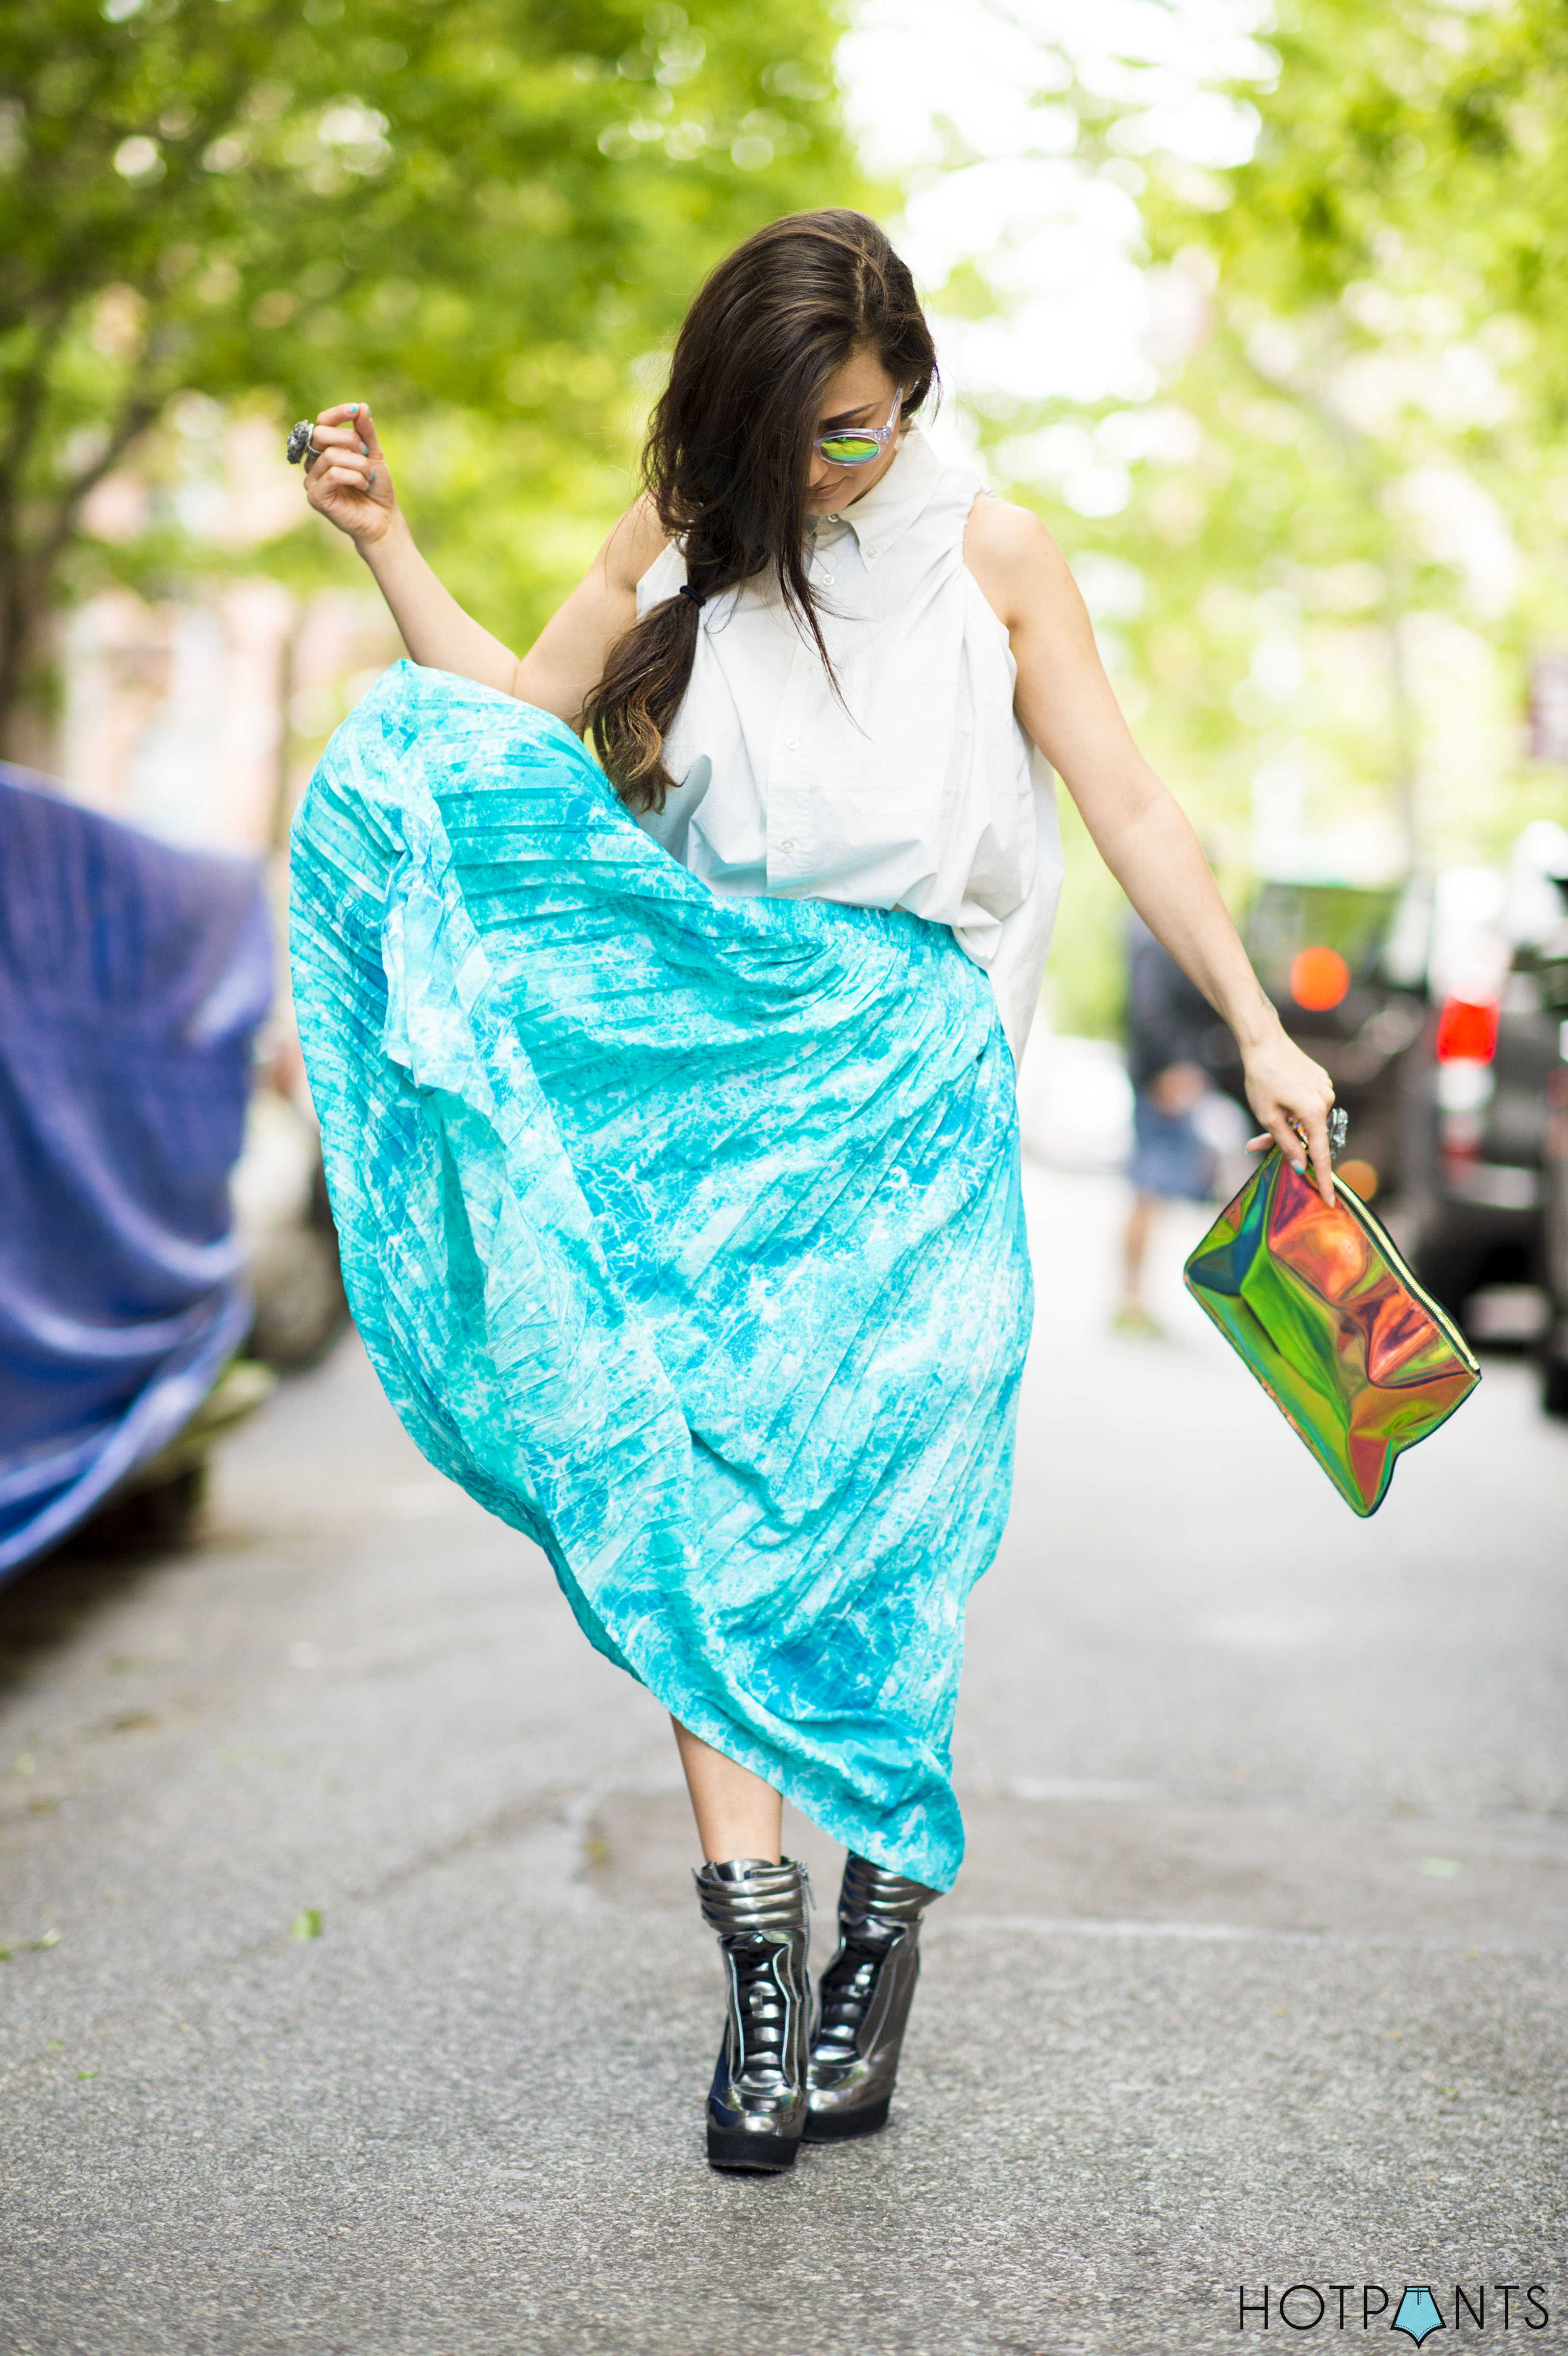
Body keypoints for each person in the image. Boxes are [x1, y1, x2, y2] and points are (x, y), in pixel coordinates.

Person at [287, 209, 1334, 2174]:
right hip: (711, 1058)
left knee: (878, 1507)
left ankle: (878, 1941)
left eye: (850, 432)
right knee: (698, 1487)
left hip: (914, 1068)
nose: (819, 471)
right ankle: (760, 1980)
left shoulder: (993, 550)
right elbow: (504, 741)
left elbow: (1123, 797)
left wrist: (1256, 1027)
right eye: (786, 436)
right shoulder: (681, 529)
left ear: (911, 395)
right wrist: (384, 540)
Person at [1116, 909, 1229, 1335]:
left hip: (1171, 1073)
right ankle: (1131, 1297)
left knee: (1155, 1189)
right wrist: (1170, 1068)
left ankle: (1135, 1297)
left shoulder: (1159, 928)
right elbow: (1149, 1007)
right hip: (1163, 1078)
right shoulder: (1154, 929)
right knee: (1148, 1187)